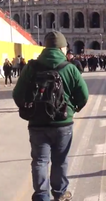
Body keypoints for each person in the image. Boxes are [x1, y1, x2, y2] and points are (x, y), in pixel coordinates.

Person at [12, 31, 89, 201]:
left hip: (37, 123)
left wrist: (27, 109)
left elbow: (17, 94)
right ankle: (60, 194)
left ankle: (41, 196)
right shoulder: (70, 68)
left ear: (45, 47)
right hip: (63, 123)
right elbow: (83, 95)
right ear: (62, 48)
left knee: (39, 161)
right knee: (60, 160)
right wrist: (73, 109)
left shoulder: (31, 67)